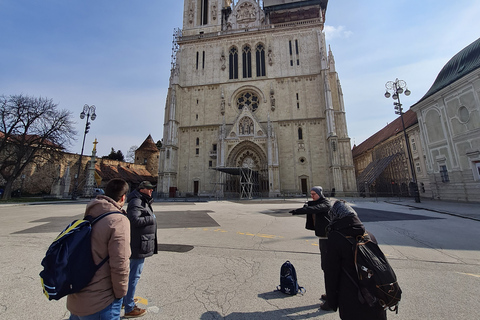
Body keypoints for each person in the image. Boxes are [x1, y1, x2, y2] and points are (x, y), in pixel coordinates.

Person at [67, 178, 131, 320]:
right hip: (102, 301)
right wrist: (121, 294)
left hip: (78, 294)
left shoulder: (90, 215)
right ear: (123, 197)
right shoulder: (118, 220)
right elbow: (119, 262)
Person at [323, 200, 387, 320]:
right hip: (375, 296)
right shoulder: (369, 235)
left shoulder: (336, 238)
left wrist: (332, 301)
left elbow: (331, 273)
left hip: (352, 297)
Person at [290, 186, 332, 308]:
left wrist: (298, 211)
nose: (312, 195)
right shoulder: (317, 203)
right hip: (323, 238)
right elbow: (312, 207)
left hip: (328, 240)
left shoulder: (325, 204)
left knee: (329, 268)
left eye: (314, 194)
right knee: (325, 267)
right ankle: (330, 294)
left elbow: (316, 208)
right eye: (311, 193)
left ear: (320, 193)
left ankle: (331, 300)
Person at [123, 181, 158, 318]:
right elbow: (134, 220)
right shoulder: (137, 201)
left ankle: (126, 299)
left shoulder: (141, 200)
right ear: (142, 189)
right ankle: (129, 306)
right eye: (149, 189)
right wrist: (151, 218)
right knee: (134, 275)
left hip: (141, 242)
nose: (151, 191)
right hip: (138, 243)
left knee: (132, 274)